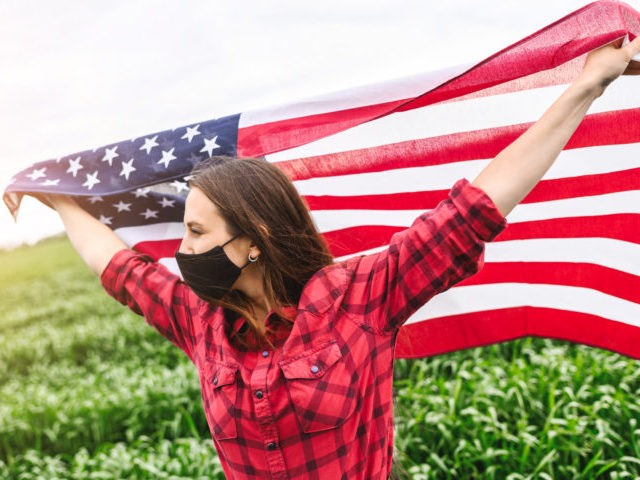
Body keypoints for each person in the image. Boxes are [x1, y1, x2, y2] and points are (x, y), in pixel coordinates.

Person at [35, 38, 640, 479]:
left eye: (195, 232)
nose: (180, 251)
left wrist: (588, 85)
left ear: (253, 240)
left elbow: (474, 208)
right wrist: (57, 196)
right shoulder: (199, 318)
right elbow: (118, 269)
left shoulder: (359, 296)